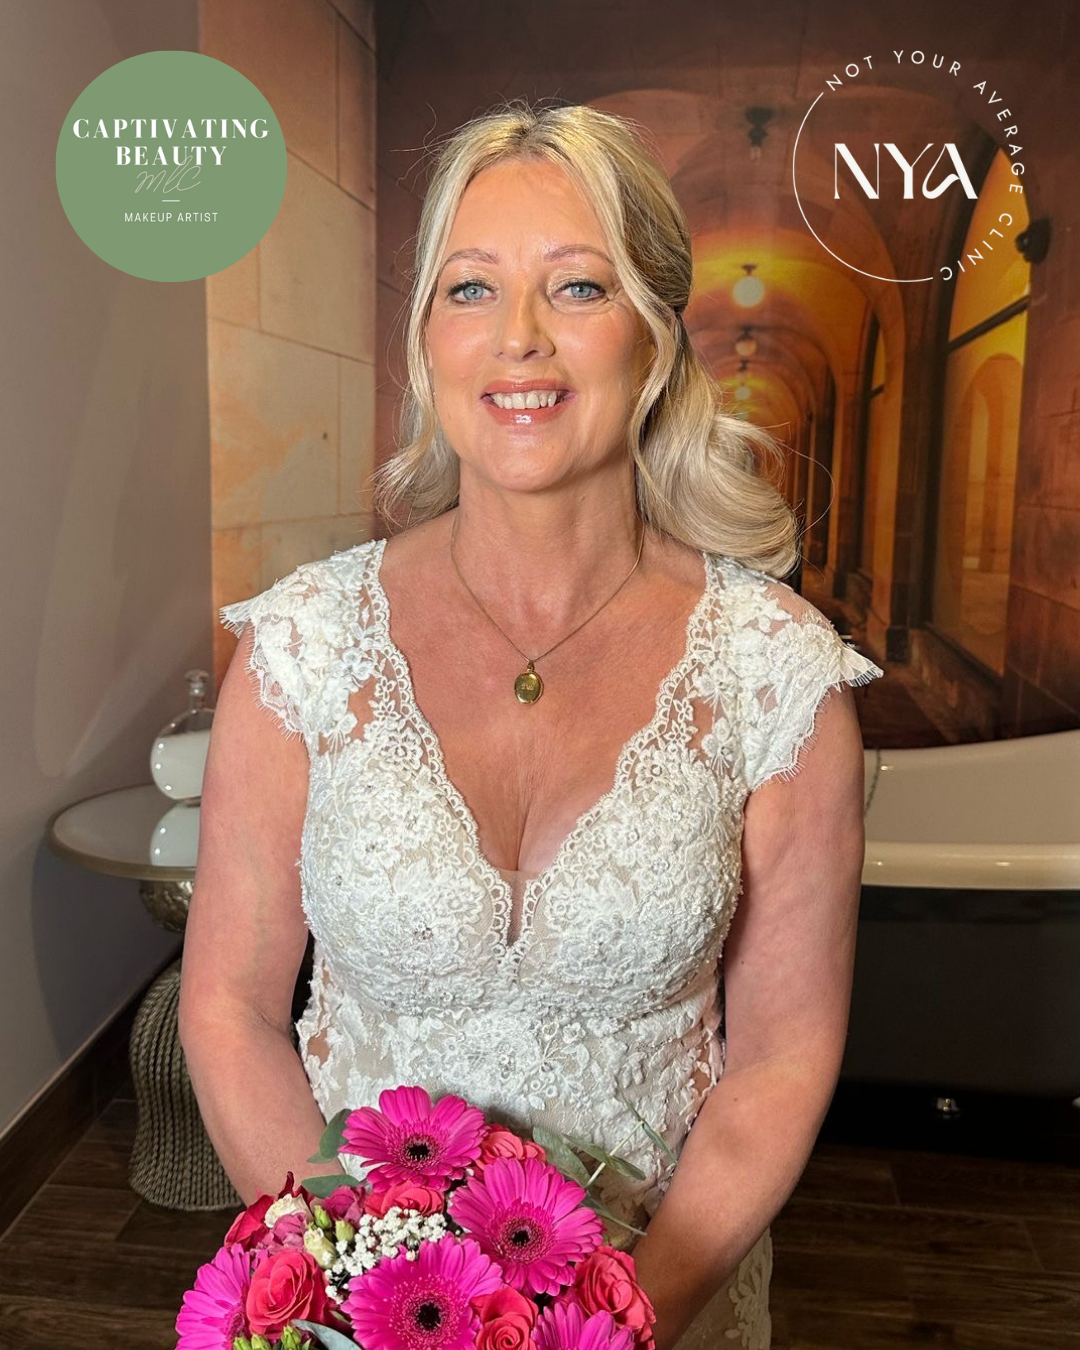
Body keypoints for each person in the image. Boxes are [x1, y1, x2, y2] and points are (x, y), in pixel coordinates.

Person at [179, 100, 884, 1350]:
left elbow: (780, 1053)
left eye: (575, 286)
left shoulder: (779, 677)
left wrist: (617, 1322)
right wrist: (344, 1288)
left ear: (656, 339)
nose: (517, 341)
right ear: (422, 344)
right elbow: (230, 1004)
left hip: (665, 1308)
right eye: (469, 290)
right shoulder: (302, 648)